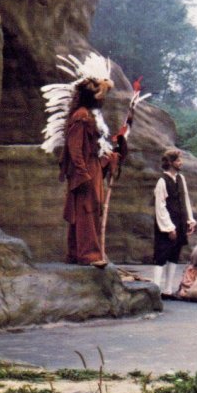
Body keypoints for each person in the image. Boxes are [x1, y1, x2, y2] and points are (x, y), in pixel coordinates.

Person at [56, 59, 120, 268]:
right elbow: (75, 149)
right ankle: (88, 254)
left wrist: (109, 158)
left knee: (89, 211)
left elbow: (93, 149)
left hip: (91, 168)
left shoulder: (90, 115)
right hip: (83, 172)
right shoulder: (81, 117)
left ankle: (77, 252)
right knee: (86, 211)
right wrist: (82, 174)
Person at [153, 149, 197, 298]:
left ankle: (167, 290)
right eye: (178, 160)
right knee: (161, 255)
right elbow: (160, 206)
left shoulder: (180, 179)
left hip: (180, 222)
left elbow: (185, 200)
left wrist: (189, 220)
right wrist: (168, 228)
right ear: (171, 162)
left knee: (174, 254)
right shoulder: (162, 181)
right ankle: (154, 290)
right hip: (166, 224)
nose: (181, 162)